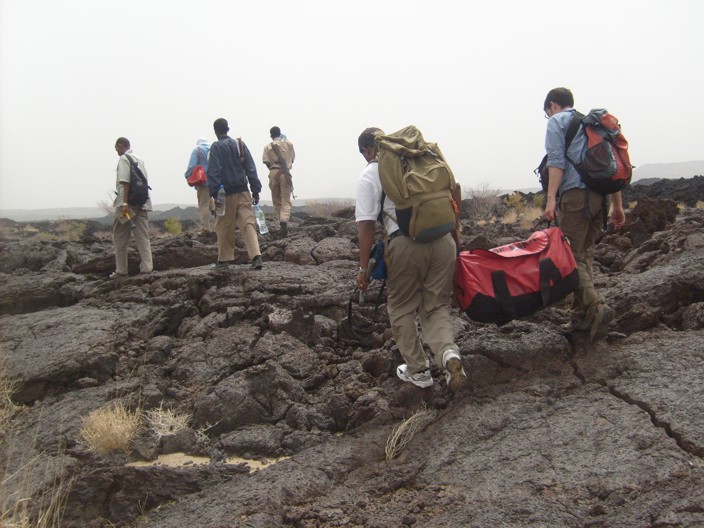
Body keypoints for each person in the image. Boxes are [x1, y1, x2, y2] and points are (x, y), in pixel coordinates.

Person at [354, 127, 466, 392]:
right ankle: (449, 354)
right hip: (443, 242)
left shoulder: (371, 173)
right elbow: (455, 193)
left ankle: (418, 370)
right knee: (436, 307)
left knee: (402, 307)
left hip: (406, 244)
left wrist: (363, 269)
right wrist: (456, 238)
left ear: (368, 150)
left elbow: (366, 226)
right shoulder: (422, 159)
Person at [542, 87, 626, 340]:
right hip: (601, 198)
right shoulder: (594, 126)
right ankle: (581, 319)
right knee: (585, 256)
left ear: (553, 105)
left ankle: (596, 306)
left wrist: (550, 200)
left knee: (568, 258)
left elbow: (556, 161)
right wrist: (617, 206)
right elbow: (612, 167)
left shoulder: (558, 122)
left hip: (576, 198)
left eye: (547, 112)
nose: (549, 116)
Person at [208, 118, 263, 269]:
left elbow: (213, 172)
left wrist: (214, 193)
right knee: (248, 223)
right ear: (228, 128)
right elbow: (250, 168)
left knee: (224, 225)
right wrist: (255, 189)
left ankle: (224, 260)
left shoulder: (216, 148)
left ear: (216, 131)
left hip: (222, 194)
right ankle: (256, 256)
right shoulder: (239, 145)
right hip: (243, 191)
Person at [111, 137, 153, 277]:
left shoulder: (124, 158)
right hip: (142, 202)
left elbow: (125, 182)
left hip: (128, 205)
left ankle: (121, 270)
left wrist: (124, 204)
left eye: (116, 148)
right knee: (142, 236)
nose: (116, 151)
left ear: (120, 146)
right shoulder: (139, 160)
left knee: (119, 237)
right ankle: (147, 268)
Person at [262, 126, 295, 237]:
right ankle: (284, 219)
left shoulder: (267, 146)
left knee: (276, 200)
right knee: (285, 200)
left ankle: (279, 222)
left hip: (273, 172)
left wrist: (274, 171)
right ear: (280, 133)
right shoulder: (289, 144)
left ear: (271, 135)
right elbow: (292, 159)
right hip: (285, 173)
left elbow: (266, 162)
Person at [185, 137, 212, 231]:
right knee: (218, 205)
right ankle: (220, 227)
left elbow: (192, 166)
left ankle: (206, 229)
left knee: (204, 205)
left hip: (203, 182)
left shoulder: (197, 150)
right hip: (217, 181)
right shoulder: (213, 148)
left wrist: (188, 176)